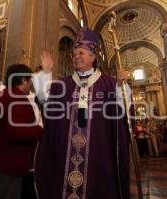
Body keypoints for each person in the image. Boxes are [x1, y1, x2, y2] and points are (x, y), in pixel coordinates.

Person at [35, 27, 131, 199]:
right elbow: (45, 100)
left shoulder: (109, 84)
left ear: (93, 57)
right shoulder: (63, 84)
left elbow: (122, 109)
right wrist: (46, 73)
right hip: (66, 153)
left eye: (81, 52)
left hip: (99, 153)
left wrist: (122, 86)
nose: (77, 56)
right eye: (75, 54)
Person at [0, 64, 47, 199]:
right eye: (30, 81)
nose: (32, 85)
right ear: (24, 80)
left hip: (1, 159)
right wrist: (41, 131)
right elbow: (17, 131)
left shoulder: (5, 94)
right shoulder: (16, 98)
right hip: (8, 162)